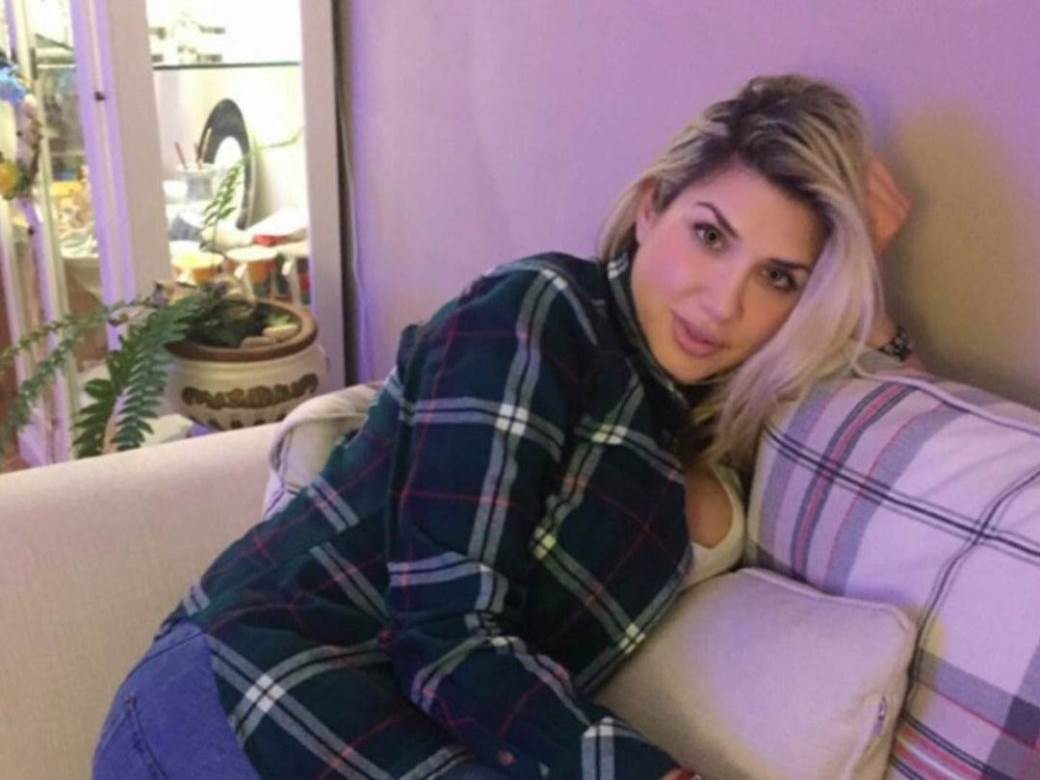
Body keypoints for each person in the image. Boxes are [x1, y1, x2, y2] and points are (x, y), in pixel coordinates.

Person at [93, 74, 914, 779]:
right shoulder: (541, 315)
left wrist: (862, 286)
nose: (724, 302)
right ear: (650, 209)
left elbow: (879, 429)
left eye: (778, 278)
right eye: (709, 235)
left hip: (409, 736)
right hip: (249, 690)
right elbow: (448, 635)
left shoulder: (707, 417)